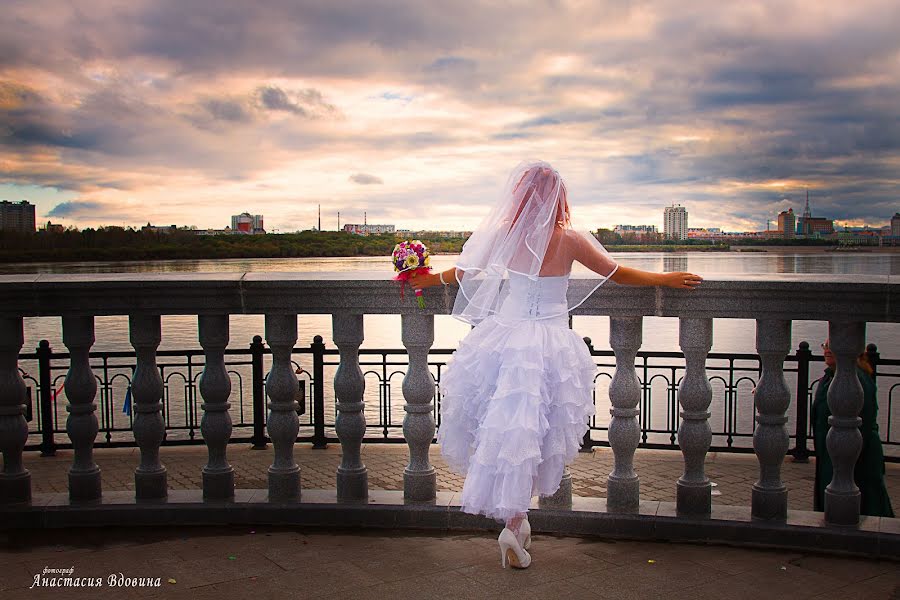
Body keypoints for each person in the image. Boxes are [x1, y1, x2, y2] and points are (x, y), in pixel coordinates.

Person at [409, 161, 702, 569]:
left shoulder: (504, 237)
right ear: (559, 197)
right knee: (534, 436)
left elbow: (462, 272)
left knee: (509, 431)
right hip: (549, 343)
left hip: (504, 338)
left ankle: (516, 521)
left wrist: (423, 279)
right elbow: (617, 273)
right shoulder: (571, 239)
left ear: (518, 196)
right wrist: (662, 279)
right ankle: (514, 524)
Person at [811, 340, 893, 517]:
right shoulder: (831, 376)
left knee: (866, 504)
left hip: (855, 456)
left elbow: (866, 419)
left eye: (832, 345)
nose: (827, 350)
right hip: (833, 451)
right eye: (825, 346)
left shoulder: (858, 379)